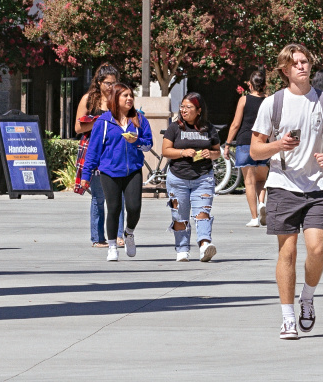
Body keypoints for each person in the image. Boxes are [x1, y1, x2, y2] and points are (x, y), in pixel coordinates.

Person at [250, 43, 323, 340]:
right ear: (285, 70)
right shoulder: (272, 104)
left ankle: (307, 297)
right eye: (296, 63)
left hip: (317, 186)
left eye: (305, 61)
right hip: (282, 185)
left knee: (317, 249)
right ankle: (288, 317)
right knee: (287, 252)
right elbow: (255, 150)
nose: (302, 66)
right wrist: (278, 145)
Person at [80, 83, 153, 262]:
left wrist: (137, 141)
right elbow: (93, 151)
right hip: (109, 172)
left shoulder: (139, 120)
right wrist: (85, 175)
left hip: (133, 170)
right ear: (115, 99)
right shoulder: (104, 122)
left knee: (134, 208)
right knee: (113, 209)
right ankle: (112, 246)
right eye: (124, 95)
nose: (129, 99)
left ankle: (129, 233)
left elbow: (148, 145)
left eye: (131, 96)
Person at [162, 93, 222, 261]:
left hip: (203, 178)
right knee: (179, 215)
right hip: (177, 178)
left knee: (203, 212)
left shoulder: (209, 128)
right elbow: (166, 150)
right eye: (182, 106)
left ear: (199, 110)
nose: (184, 110)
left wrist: (210, 153)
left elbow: (217, 152)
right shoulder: (174, 128)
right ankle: (182, 249)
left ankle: (204, 245)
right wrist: (182, 152)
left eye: (188, 107)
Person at [74, 64, 125, 249]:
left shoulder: (119, 99)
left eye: (115, 83)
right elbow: (78, 128)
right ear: (99, 82)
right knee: (98, 196)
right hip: (94, 149)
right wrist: (99, 121)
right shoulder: (89, 100)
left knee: (118, 195)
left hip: (115, 150)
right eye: (108, 83)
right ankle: (98, 237)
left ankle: (119, 235)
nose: (111, 87)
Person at [225, 67, 269, 227]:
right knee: (262, 179)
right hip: (264, 142)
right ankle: (262, 202)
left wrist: (228, 143)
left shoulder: (244, 100)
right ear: (264, 86)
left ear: (250, 85)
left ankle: (254, 218)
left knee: (249, 182)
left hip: (245, 141)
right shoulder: (269, 100)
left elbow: (236, 124)